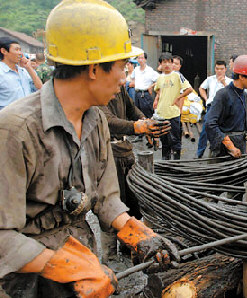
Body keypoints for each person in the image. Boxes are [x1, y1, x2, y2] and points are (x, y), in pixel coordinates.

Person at [0, 1, 179, 297]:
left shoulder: (95, 119)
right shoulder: (15, 131)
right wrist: (62, 265)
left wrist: (134, 230)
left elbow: (106, 197)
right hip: (25, 281)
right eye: (121, 67)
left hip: (83, 266)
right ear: (94, 69)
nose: (125, 78)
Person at [98, 85, 171, 261]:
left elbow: (132, 109)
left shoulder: (119, 87)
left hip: (124, 150)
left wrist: (145, 122)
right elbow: (108, 120)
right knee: (111, 204)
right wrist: (139, 127)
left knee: (132, 202)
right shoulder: (97, 91)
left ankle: (127, 244)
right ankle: (110, 257)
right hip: (106, 153)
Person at [205, 55, 247, 158]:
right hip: (222, 154)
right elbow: (210, 124)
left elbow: (245, 131)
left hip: (240, 152)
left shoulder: (245, 96)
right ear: (241, 77)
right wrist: (229, 146)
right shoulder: (223, 95)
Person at [153, 52, 193, 160]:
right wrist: (157, 99)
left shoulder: (177, 76)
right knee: (164, 142)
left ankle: (176, 164)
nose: (167, 64)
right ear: (160, 64)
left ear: (172, 63)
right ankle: (166, 164)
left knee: (175, 141)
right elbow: (157, 89)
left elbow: (189, 89)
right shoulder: (160, 78)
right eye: (164, 62)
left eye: (169, 62)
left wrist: (179, 97)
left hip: (173, 114)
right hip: (162, 114)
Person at [196, 60, 232, 158]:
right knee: (205, 129)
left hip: (224, 109)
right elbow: (201, 88)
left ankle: (217, 152)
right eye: (217, 69)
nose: (219, 71)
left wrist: (223, 82)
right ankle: (199, 153)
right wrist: (206, 98)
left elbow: (231, 94)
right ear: (215, 69)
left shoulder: (229, 81)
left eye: (221, 69)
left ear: (225, 69)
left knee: (221, 130)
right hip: (211, 107)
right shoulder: (210, 79)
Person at [0, 37, 43, 109]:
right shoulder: (1, 73)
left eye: (20, 50)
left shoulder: (23, 71)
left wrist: (29, 68)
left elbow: (40, 88)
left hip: (26, 115)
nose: (20, 53)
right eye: (16, 50)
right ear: (4, 51)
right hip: (7, 117)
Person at [130, 52, 160, 118]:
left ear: (145, 60)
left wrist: (151, 86)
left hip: (145, 95)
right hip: (137, 94)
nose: (140, 60)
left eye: (142, 58)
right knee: (137, 114)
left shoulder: (150, 70)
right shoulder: (136, 70)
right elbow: (132, 79)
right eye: (139, 58)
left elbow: (160, 79)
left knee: (147, 114)